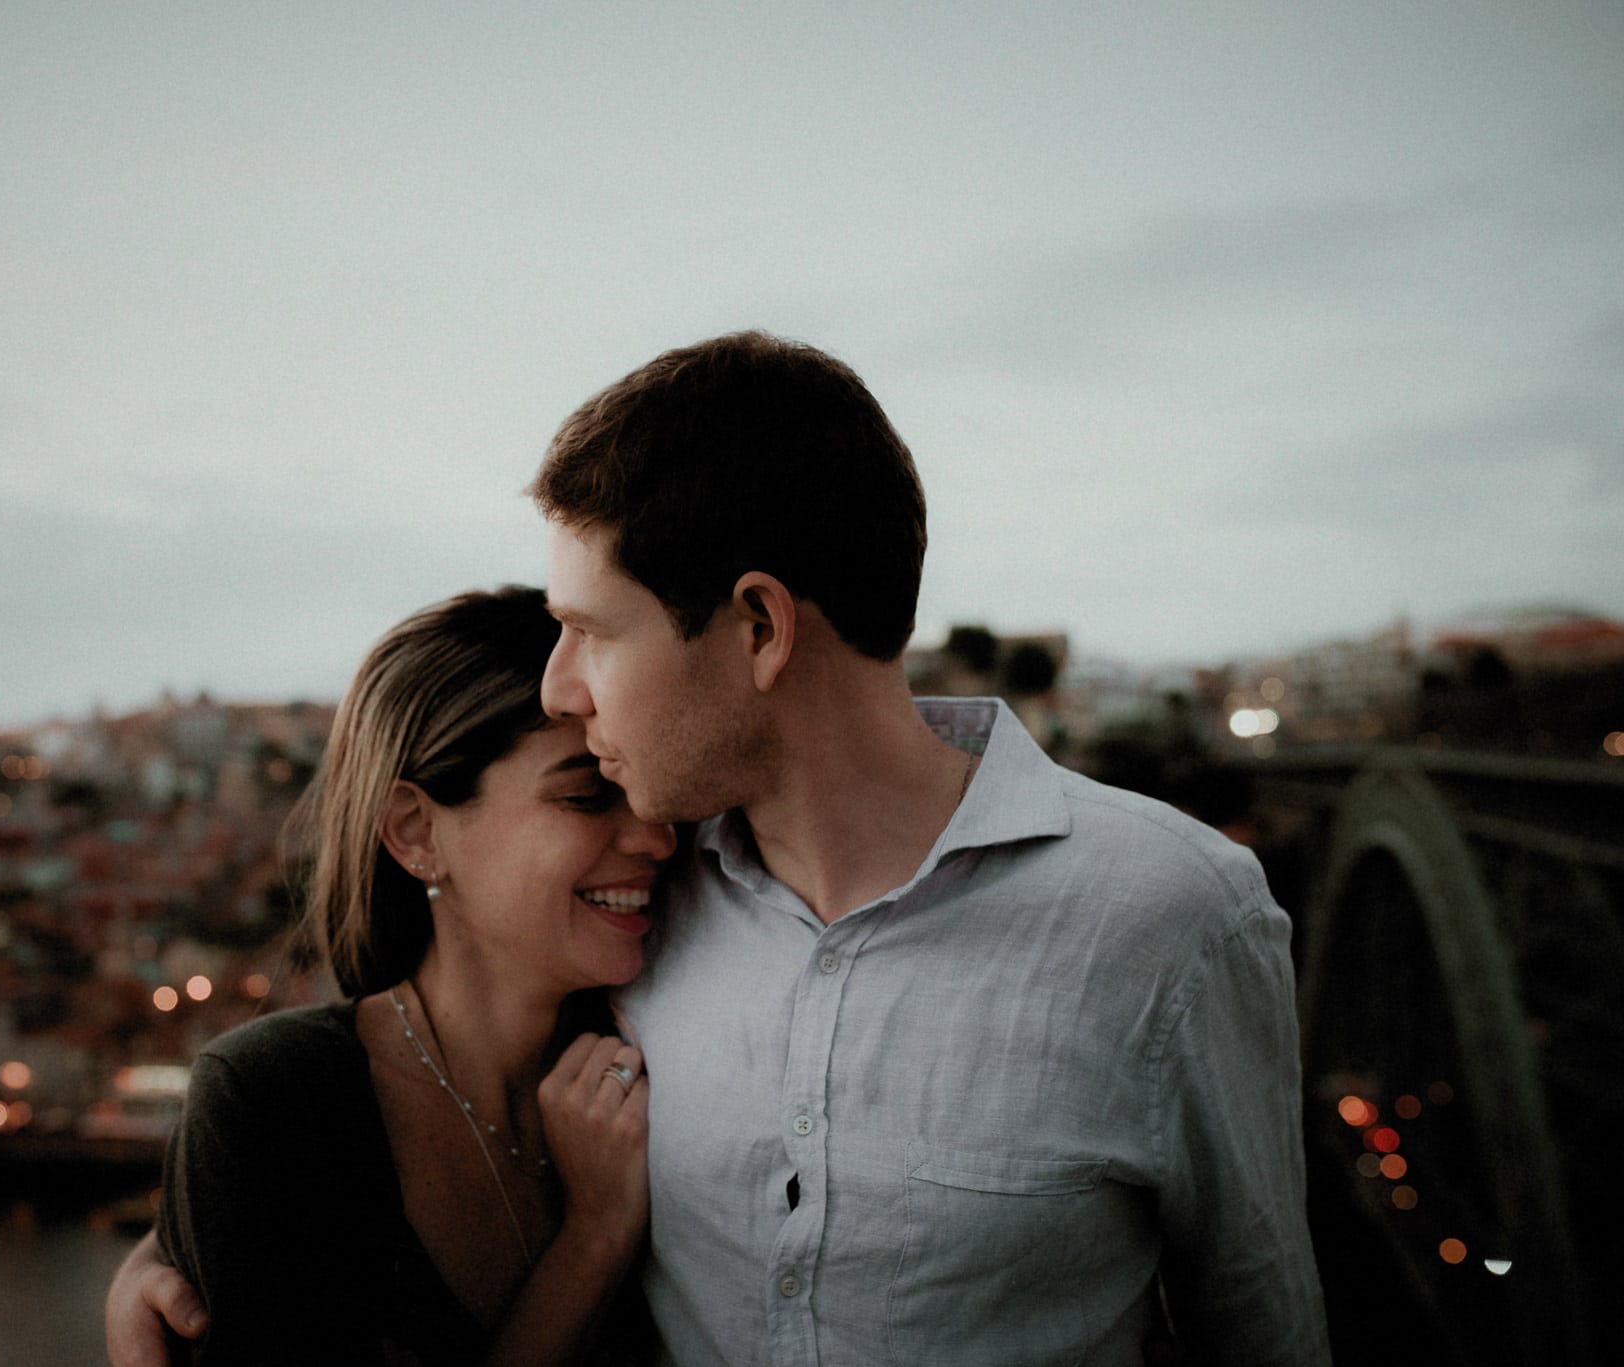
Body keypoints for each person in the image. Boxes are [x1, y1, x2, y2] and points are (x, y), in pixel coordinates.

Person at [111, 333, 1331, 1365]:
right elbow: (381, 1100)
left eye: (591, 631)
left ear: (755, 625)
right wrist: (192, 1242)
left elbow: (1260, 1327)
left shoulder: (1171, 918)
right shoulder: (644, 924)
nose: (563, 684)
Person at [116, 585, 677, 1366]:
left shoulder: (669, 1057)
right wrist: (592, 1238)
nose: (654, 836)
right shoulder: (273, 1103)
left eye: (647, 787)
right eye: (587, 794)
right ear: (417, 831)